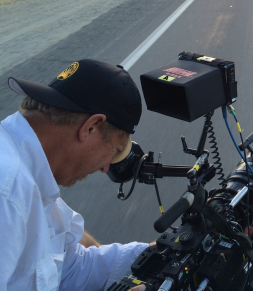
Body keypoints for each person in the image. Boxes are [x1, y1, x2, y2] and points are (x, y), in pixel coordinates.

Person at [0, 59, 148, 291]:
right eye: (114, 151)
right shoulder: (7, 190)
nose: (105, 168)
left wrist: (161, 251)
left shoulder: (32, 175)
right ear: (91, 126)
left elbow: (72, 269)